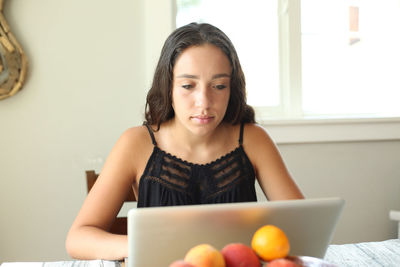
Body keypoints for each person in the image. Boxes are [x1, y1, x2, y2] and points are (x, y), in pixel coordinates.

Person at [65, 22, 303, 260]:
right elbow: (79, 238)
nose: (204, 102)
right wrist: (145, 247)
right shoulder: (136, 143)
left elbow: (304, 226)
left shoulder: (253, 139)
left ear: (233, 89)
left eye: (219, 86)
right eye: (188, 86)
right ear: (168, 86)